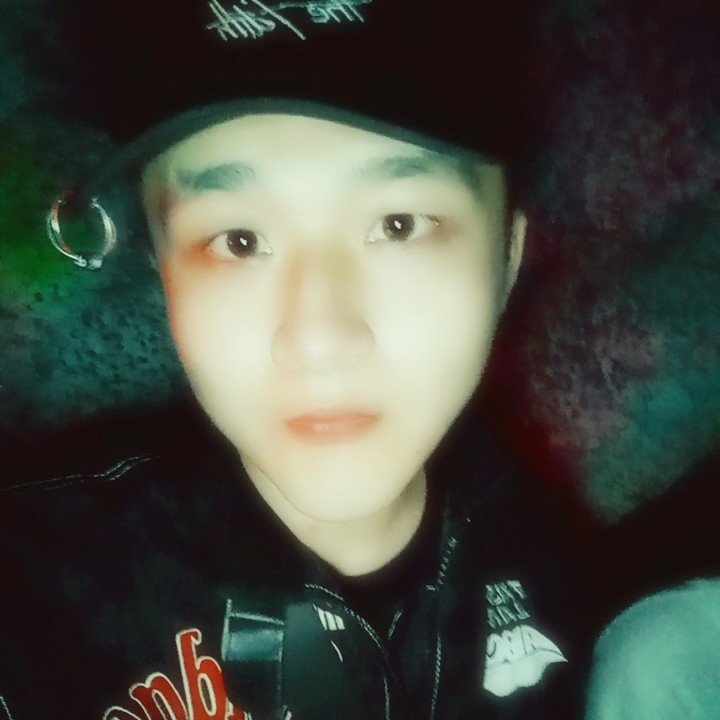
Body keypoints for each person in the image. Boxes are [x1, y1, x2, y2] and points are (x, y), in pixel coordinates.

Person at [0, 1, 596, 718]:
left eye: (398, 224)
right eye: (239, 241)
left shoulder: (546, 553)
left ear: (507, 259)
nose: (318, 339)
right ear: (163, 270)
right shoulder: (40, 587)